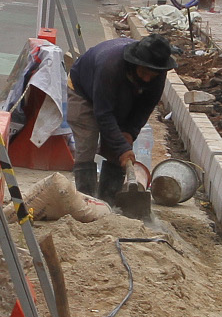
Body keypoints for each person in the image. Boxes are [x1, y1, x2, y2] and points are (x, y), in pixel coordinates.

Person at [66, 33, 175, 200]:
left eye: (152, 75)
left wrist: (129, 133)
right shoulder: (110, 66)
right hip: (84, 90)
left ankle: (108, 201)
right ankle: (85, 199)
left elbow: (145, 108)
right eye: (144, 72)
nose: (147, 78)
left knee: (119, 146)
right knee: (87, 143)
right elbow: (103, 114)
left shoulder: (157, 72)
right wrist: (123, 149)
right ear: (135, 63)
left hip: (123, 94)